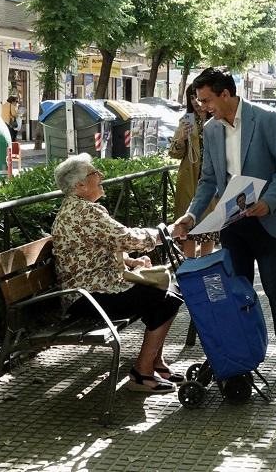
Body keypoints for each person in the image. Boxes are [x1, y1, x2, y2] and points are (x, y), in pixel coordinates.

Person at [172, 67, 276, 385]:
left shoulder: (267, 119)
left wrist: (269, 201)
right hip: (233, 223)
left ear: (225, 94)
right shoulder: (212, 130)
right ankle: (240, 361)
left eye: (206, 100)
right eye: (198, 101)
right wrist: (192, 216)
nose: (202, 107)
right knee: (236, 294)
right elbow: (208, 180)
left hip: (269, 220)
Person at [51, 153, 184, 394]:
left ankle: (153, 362)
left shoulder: (79, 209)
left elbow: (95, 250)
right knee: (164, 298)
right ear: (79, 185)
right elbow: (128, 238)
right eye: (94, 174)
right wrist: (170, 231)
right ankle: (142, 373)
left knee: (168, 293)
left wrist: (131, 263)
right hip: (87, 297)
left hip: (95, 289)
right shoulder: (84, 212)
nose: (101, 176)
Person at [169, 85, 218, 258]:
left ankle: (206, 264)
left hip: (211, 179)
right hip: (190, 179)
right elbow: (174, 153)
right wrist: (181, 138)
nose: (195, 102)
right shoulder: (187, 120)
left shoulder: (217, 118)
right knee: (188, 226)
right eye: (191, 98)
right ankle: (190, 265)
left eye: (197, 98)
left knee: (209, 225)